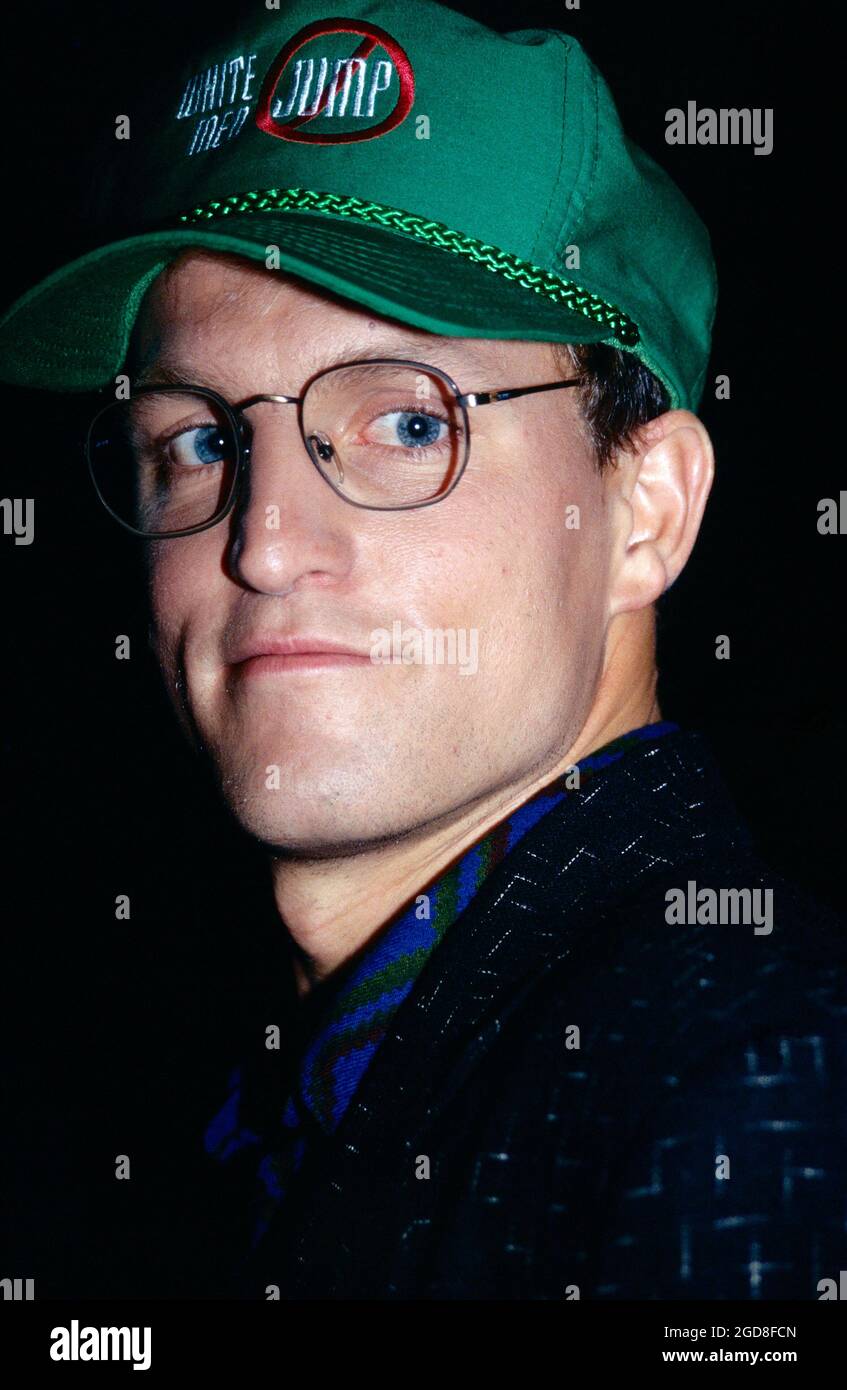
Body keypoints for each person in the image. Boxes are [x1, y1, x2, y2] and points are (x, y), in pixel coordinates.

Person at [0, 0, 844, 1301]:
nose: (266, 542)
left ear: (646, 509)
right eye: (203, 442)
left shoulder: (749, 1088)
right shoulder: (271, 1094)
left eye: (405, 422)